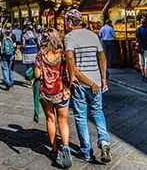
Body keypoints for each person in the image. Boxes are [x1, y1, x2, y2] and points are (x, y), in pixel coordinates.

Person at [64, 9, 112, 164]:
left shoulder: (69, 37)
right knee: (98, 112)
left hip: (80, 83)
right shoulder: (92, 35)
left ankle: (86, 151)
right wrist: (103, 78)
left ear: (70, 23)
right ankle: (104, 141)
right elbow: (102, 57)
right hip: (96, 82)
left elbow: (70, 58)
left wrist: (72, 76)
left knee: (81, 116)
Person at [34, 28, 73, 169]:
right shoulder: (62, 54)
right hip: (62, 91)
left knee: (51, 120)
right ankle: (66, 147)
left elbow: (37, 75)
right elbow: (69, 71)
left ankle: (55, 150)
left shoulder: (40, 54)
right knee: (63, 121)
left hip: (46, 93)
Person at [0, 23, 19, 90]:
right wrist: (14, 52)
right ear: (11, 28)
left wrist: (0, 52)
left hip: (4, 54)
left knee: (5, 68)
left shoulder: (2, 35)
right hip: (11, 55)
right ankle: (11, 81)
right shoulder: (13, 36)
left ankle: (7, 82)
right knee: (11, 68)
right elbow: (15, 45)